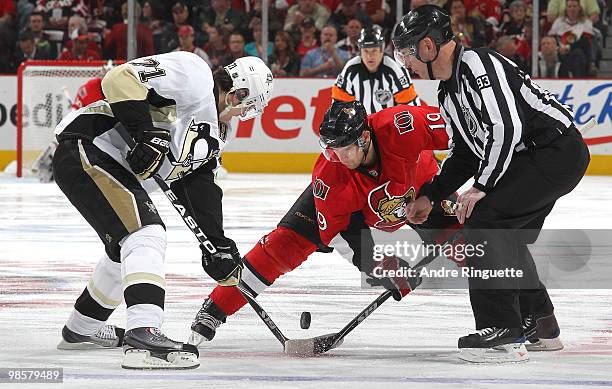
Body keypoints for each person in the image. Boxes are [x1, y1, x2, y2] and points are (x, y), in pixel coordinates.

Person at [393, 5, 590, 363]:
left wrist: (481, 186)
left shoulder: (478, 65)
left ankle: (503, 331)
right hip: (536, 157)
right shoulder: (447, 92)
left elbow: (507, 128)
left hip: (555, 151)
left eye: (406, 52)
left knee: (486, 221)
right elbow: (466, 153)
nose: (405, 62)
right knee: (506, 235)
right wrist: (431, 195)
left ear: (427, 46)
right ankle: (541, 326)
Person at [53, 52, 273, 369]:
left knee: (124, 248)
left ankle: (81, 329)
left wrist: (216, 243)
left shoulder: (214, 134)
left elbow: (199, 186)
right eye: (247, 106)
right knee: (145, 234)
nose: (243, 114)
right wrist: (147, 131)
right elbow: (119, 79)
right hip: (89, 146)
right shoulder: (195, 74)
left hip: (110, 164)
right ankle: (143, 330)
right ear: (238, 90)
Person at [188, 100, 459, 345]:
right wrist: (380, 266)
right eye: (333, 149)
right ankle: (215, 308)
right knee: (282, 246)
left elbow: (466, 134)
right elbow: (340, 233)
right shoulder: (331, 175)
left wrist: (474, 185)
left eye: (347, 149)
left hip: (424, 189)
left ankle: (497, 320)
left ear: (365, 138)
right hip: (353, 211)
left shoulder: (402, 125)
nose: (340, 157)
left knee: (471, 240)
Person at [332, 25, 419, 114]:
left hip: (388, 125)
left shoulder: (395, 69)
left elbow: (409, 106)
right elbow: (339, 104)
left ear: (382, 50)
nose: (370, 56)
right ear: (360, 51)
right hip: (360, 125)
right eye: (366, 51)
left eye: (374, 50)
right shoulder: (350, 69)